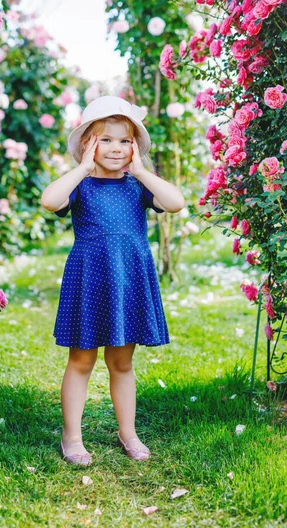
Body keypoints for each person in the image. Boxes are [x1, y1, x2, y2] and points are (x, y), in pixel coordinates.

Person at [41, 95, 185, 466]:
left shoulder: (138, 184)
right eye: (106, 139)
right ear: (88, 143)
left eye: (125, 140)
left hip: (128, 279)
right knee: (81, 361)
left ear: (135, 146)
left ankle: (128, 432)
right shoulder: (80, 185)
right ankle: (72, 437)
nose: (117, 148)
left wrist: (140, 170)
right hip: (90, 278)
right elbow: (49, 199)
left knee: (122, 363)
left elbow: (176, 202)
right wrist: (82, 167)